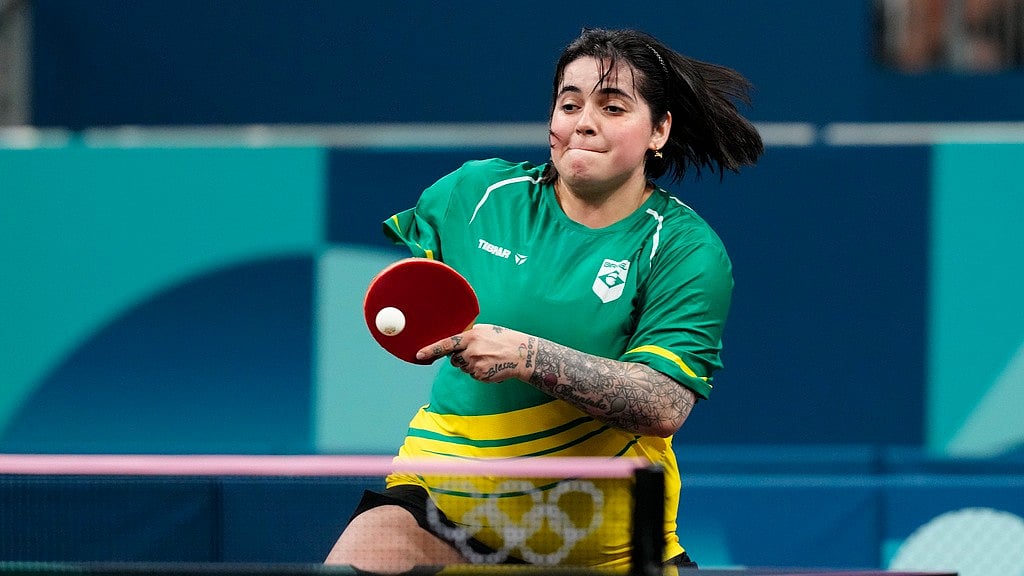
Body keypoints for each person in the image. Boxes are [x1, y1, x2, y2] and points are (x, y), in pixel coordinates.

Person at [325, 27, 763, 573]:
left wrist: (530, 357)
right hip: (440, 514)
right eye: (569, 103)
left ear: (659, 130)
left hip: (609, 553)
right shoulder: (476, 195)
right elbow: (418, 292)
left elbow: (663, 404)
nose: (583, 121)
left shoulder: (682, 247)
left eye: (612, 106)